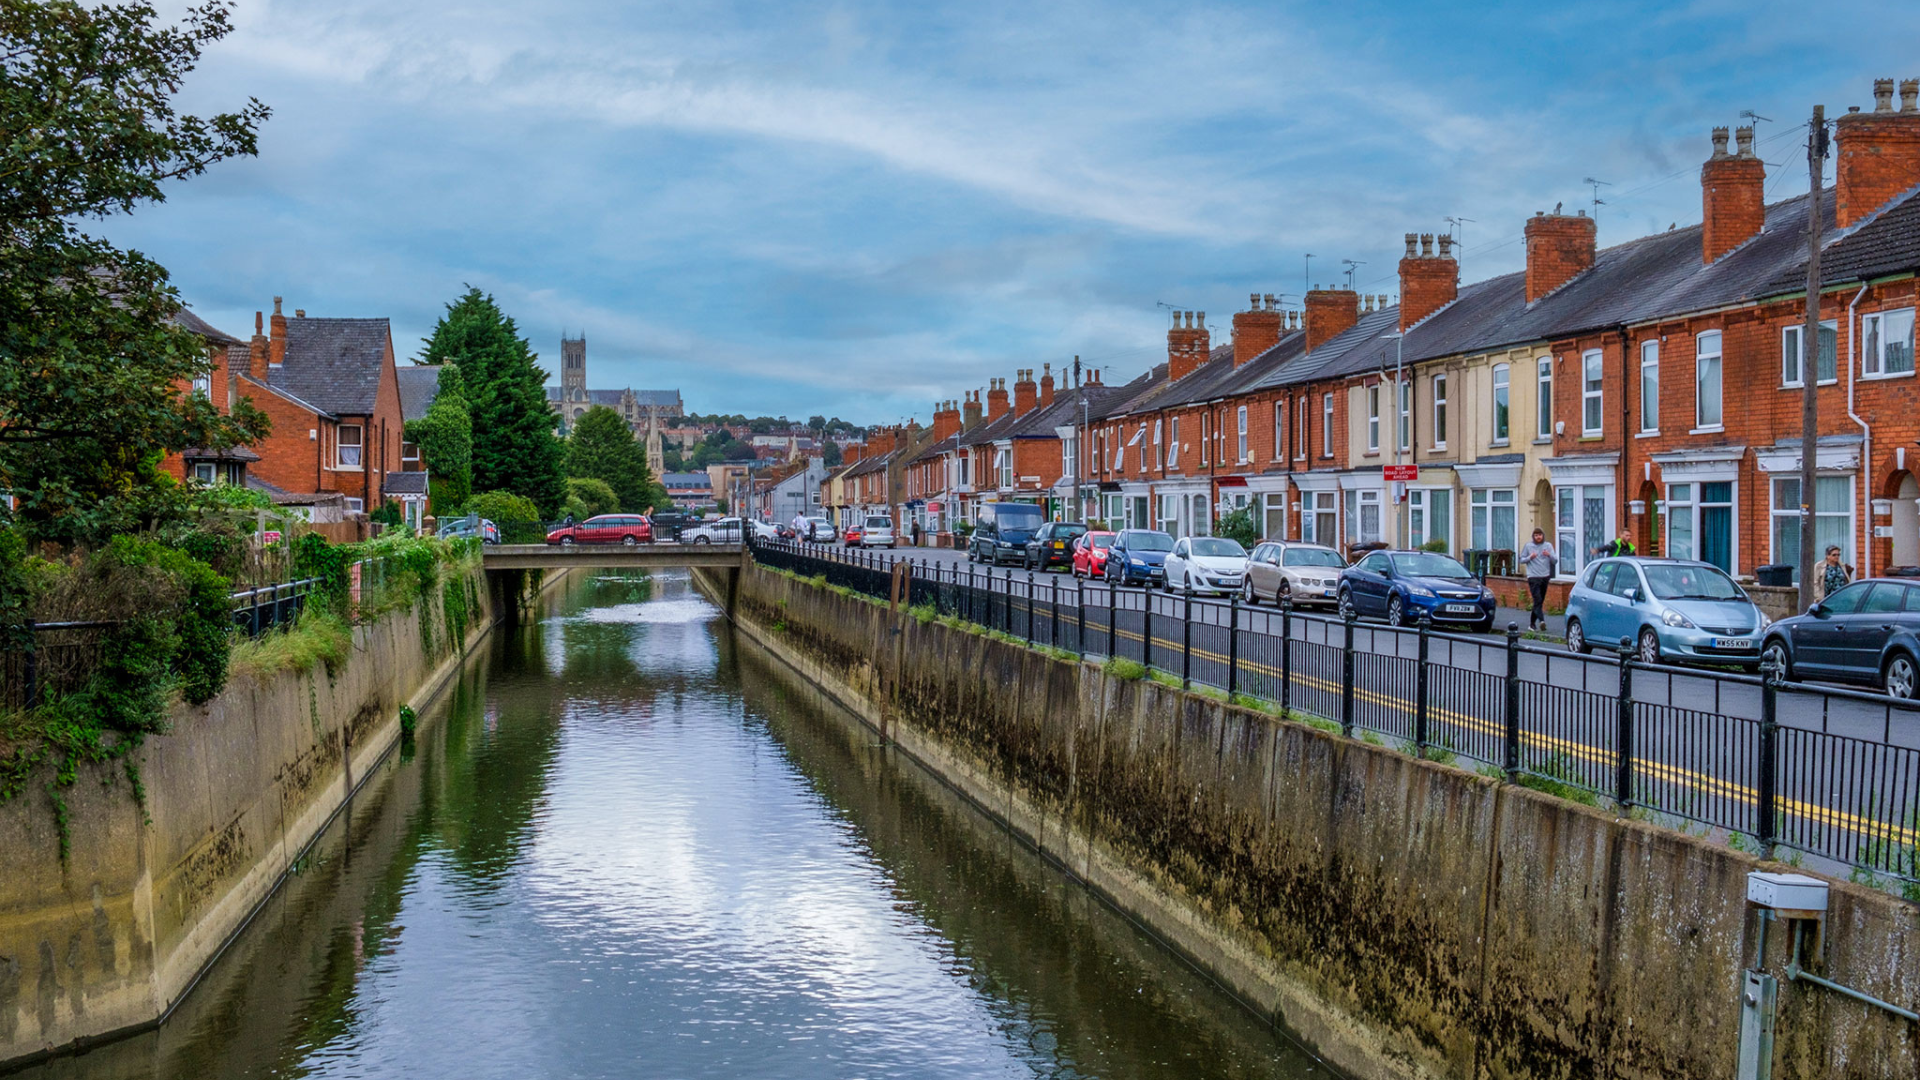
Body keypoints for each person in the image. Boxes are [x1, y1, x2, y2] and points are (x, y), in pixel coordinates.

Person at [1518, 528, 1557, 631]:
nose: (1538, 537)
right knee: (1537, 599)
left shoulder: (1548, 546)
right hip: (1533, 577)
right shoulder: (1528, 546)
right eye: (1536, 535)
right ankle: (1542, 621)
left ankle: (1531, 624)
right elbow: (1521, 560)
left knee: (1539, 602)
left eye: (1540, 535)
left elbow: (1555, 560)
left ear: (1543, 536)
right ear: (1533, 537)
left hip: (1545, 576)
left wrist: (1549, 555)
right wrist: (1530, 557)